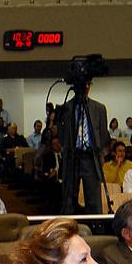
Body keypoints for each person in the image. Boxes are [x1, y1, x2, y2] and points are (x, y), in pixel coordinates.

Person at [56, 86, 111, 216]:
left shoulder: (99, 108)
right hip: (72, 157)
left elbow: (103, 135)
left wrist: (100, 152)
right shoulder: (65, 108)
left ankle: (95, 225)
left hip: (90, 156)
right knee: (69, 199)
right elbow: (61, 135)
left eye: (87, 84)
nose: (84, 87)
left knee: (93, 199)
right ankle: (69, 224)